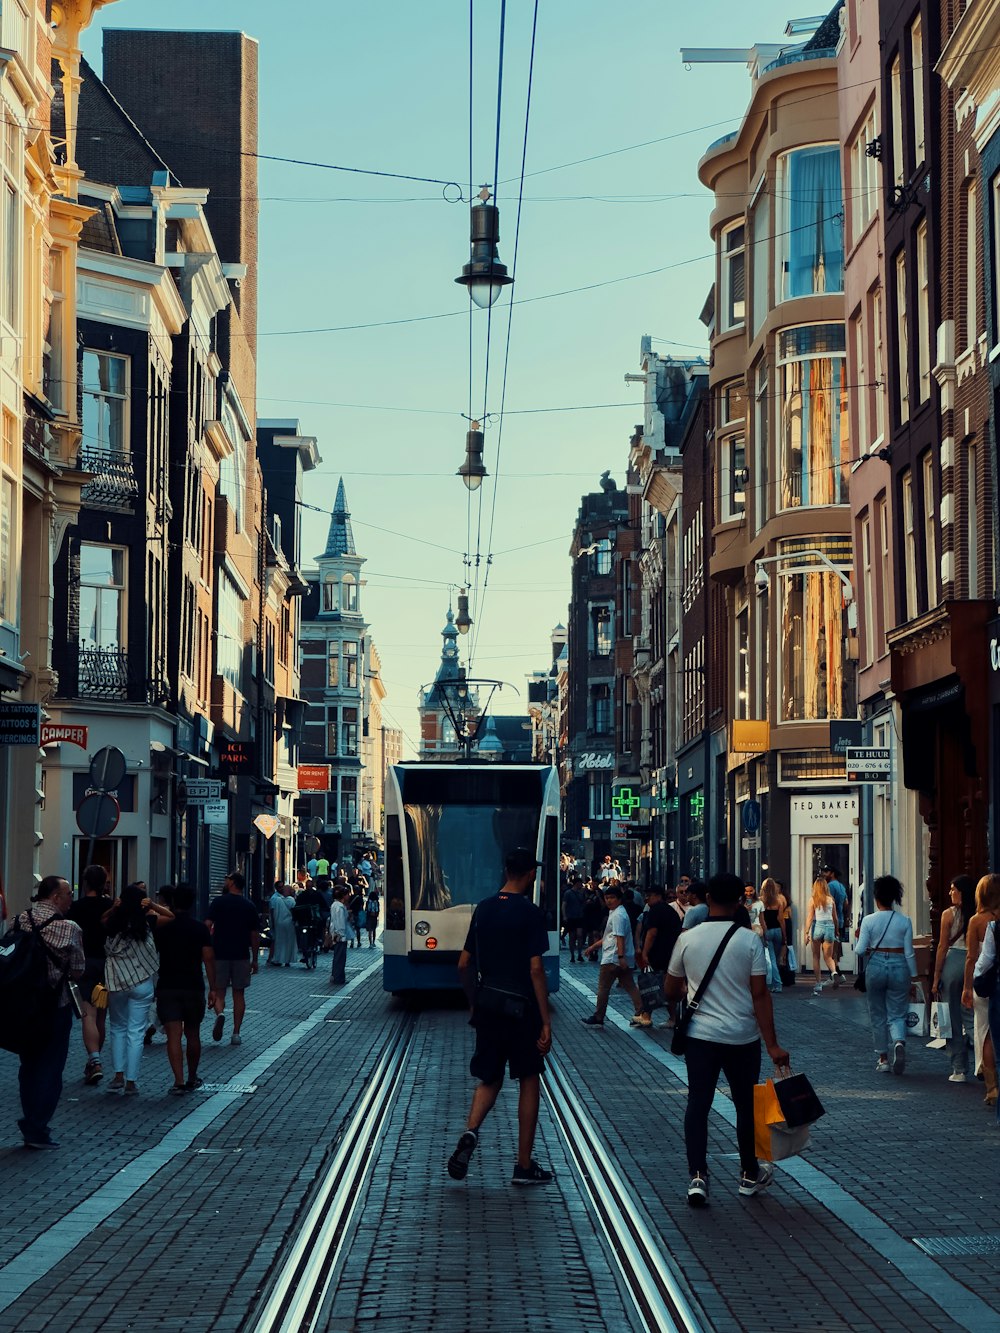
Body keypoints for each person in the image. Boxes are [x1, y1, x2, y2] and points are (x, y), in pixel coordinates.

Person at [666, 872, 789, 1207]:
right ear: (740, 901)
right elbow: (760, 994)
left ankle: (697, 1175)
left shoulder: (688, 939)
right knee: (744, 1105)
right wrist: (773, 1044)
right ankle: (749, 1173)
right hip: (742, 1037)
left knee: (698, 1103)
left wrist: (686, 993)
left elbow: (670, 988)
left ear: (707, 899)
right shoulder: (749, 941)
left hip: (700, 1037)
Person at [448, 847, 553, 1186]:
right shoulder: (531, 913)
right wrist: (545, 1019)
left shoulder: (484, 909)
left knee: (489, 1078)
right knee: (528, 1078)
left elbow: (464, 964)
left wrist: (473, 1001)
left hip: (489, 1005)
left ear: (506, 871)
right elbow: (536, 969)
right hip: (522, 1008)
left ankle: (471, 1131)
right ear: (530, 874)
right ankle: (523, 1165)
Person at [13, 876, 85, 1148]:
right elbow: (78, 969)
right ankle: (37, 1125)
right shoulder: (69, 928)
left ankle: (30, 1117)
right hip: (56, 1005)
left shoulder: (20, 920)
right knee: (51, 1067)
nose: (70, 899)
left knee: (28, 1064)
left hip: (23, 1005)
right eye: (68, 894)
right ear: (55, 897)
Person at [104, 883, 173, 1095]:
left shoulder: (112, 923)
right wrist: (153, 905)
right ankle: (131, 1081)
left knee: (117, 1028)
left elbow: (101, 921)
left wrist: (114, 908)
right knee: (136, 1031)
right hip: (141, 981)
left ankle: (117, 1075)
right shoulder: (148, 922)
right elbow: (171, 916)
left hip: (116, 981)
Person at [153, 884, 215, 1094]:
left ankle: (178, 1081)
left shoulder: (163, 928)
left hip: (167, 985)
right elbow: (208, 958)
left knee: (173, 1035)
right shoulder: (199, 929)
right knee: (193, 1033)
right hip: (193, 986)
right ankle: (192, 1076)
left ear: (171, 903)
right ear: (192, 903)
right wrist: (213, 988)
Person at [855, 875, 919, 1074]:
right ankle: (899, 1042)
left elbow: (859, 950)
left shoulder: (869, 920)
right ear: (894, 897)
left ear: (876, 897)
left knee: (877, 1013)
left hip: (875, 966)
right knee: (897, 1011)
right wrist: (914, 976)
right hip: (899, 964)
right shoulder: (904, 921)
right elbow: (909, 952)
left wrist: (866, 946)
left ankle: (883, 1058)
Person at [69, 864, 114, 1085]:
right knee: (101, 1015)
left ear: (85, 882)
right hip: (106, 965)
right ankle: (94, 1060)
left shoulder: (75, 908)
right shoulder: (110, 906)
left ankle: (94, 1060)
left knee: (88, 1014)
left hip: (83, 964)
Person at [581, 884, 649, 1028]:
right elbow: (609, 936)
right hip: (620, 957)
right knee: (630, 985)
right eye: (607, 898)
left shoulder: (618, 915)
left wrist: (620, 957)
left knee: (603, 988)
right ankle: (642, 1013)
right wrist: (593, 946)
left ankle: (599, 1016)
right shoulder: (618, 912)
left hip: (613, 957)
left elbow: (619, 937)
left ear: (619, 899)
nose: (609, 901)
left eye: (612, 898)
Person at [205, 871, 260, 1046]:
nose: (225, 881)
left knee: (219, 989)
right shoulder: (249, 905)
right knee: (239, 993)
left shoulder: (219, 902)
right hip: (241, 954)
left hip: (220, 952)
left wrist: (206, 946)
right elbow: (254, 934)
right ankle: (236, 1033)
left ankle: (220, 1013)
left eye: (227, 879)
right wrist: (255, 958)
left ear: (232, 883)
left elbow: (207, 925)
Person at [932, 874, 976, 1083]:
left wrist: (936, 977)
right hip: (975, 963)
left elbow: (942, 947)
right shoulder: (980, 915)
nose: (950, 893)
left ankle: (959, 1068)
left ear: (962, 892)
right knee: (975, 1017)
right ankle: (984, 1063)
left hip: (954, 963)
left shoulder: (948, 915)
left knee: (952, 1018)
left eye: (953, 889)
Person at [962, 873, 1000, 1106]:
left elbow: (972, 958)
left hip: (986, 983)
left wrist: (967, 986)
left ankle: (992, 1086)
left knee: (985, 1033)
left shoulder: (977, 921)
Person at [636, 884, 680, 1024]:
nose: (646, 898)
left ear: (659, 896)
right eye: (646, 895)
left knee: (658, 985)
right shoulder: (669, 910)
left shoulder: (655, 910)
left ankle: (672, 1018)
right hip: (671, 952)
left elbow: (652, 933)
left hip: (659, 954)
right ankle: (646, 1014)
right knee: (654, 984)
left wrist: (645, 952)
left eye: (650, 895)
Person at [804, 877, 843, 994]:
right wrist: (836, 930)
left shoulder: (813, 900)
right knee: (828, 957)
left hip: (818, 926)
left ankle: (818, 984)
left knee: (816, 956)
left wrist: (806, 932)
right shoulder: (831, 900)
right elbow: (835, 918)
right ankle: (834, 973)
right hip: (830, 927)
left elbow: (810, 917)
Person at [760, 878, 788, 996]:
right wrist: (784, 935)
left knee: (771, 959)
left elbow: (761, 919)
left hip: (767, 930)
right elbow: (781, 919)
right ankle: (775, 982)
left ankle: (776, 984)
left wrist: (764, 932)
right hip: (777, 930)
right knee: (776, 959)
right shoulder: (779, 901)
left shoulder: (761, 901)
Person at [267, 882, 297, 967]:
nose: (282, 889)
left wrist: (273, 923)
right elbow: (294, 911)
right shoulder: (289, 900)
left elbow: (272, 912)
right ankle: (286, 960)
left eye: (283, 887)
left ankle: (277, 959)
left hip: (279, 923)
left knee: (279, 942)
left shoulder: (275, 899)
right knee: (287, 941)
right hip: (289, 923)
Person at [562, 877, 586, 962]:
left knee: (579, 935)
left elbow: (583, 904)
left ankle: (579, 954)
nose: (581, 885)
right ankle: (572, 955)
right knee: (572, 936)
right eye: (580, 883)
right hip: (571, 917)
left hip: (579, 917)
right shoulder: (568, 893)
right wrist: (564, 915)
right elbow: (564, 904)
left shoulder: (581, 893)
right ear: (577, 883)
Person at [329, 886, 349, 985]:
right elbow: (340, 922)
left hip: (335, 934)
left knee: (337, 956)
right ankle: (338, 977)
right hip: (340, 935)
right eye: (347, 894)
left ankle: (336, 975)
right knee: (340, 957)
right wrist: (342, 934)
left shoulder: (334, 905)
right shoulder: (340, 907)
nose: (348, 896)